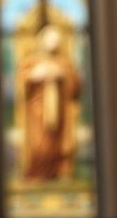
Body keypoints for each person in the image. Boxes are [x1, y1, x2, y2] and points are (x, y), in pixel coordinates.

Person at [18, 24, 81, 181]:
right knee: (40, 143)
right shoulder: (31, 61)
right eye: (50, 39)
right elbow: (22, 83)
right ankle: (38, 172)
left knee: (59, 142)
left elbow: (75, 85)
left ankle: (60, 170)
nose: (53, 42)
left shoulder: (64, 62)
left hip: (60, 111)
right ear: (42, 40)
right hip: (37, 112)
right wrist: (35, 75)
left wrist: (62, 75)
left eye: (56, 39)